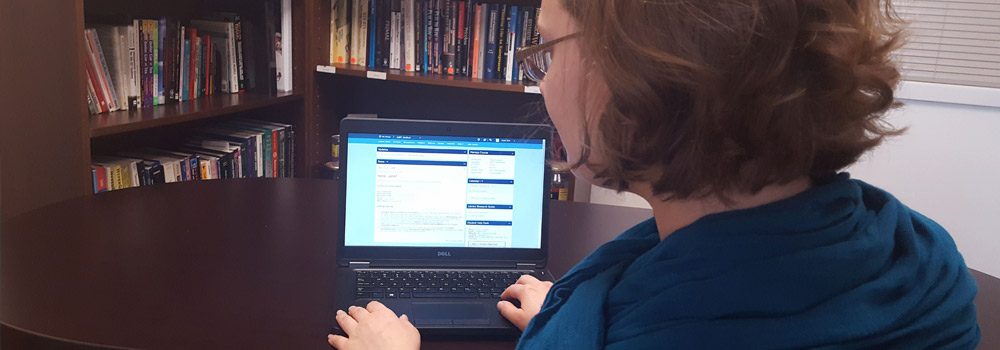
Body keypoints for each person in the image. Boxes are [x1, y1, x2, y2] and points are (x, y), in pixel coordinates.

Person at [327, 0, 981, 348]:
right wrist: (569, 313)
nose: (542, 86)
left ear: (640, 79)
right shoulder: (920, 259)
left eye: (548, 51)